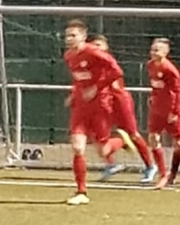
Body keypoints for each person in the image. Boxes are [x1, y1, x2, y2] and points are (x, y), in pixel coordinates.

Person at [63, 20, 127, 205]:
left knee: (103, 149)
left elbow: (117, 71)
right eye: (67, 36)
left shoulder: (93, 52)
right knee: (78, 147)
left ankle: (121, 140)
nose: (69, 39)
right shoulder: (68, 56)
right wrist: (74, 94)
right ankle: (81, 191)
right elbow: (78, 80)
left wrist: (96, 88)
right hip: (81, 107)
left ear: (83, 36)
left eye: (73, 35)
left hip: (100, 105)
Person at [89, 35, 155, 181]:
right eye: (93, 45)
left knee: (133, 134)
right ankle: (111, 164)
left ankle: (150, 166)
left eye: (99, 45)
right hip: (103, 102)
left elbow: (114, 77)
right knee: (96, 135)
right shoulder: (91, 64)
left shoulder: (107, 62)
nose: (96, 48)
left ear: (106, 47)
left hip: (119, 101)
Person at [144, 37, 180, 189]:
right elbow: (155, 86)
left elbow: (177, 91)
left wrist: (174, 111)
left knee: (179, 141)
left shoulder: (170, 70)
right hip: (157, 108)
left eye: (157, 50)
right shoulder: (150, 65)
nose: (153, 52)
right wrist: (152, 96)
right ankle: (163, 174)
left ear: (165, 52)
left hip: (169, 109)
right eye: (152, 49)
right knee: (153, 137)